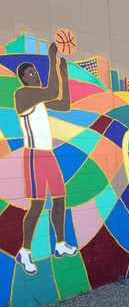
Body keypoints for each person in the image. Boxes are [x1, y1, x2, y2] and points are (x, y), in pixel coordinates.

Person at [15, 42, 76, 275]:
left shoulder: (38, 100)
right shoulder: (23, 95)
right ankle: (25, 251)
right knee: (37, 205)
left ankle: (60, 245)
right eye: (29, 73)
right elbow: (52, 91)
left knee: (60, 199)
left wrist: (63, 73)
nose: (34, 74)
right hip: (33, 156)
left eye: (35, 71)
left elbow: (64, 103)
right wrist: (51, 59)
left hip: (48, 155)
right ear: (24, 80)